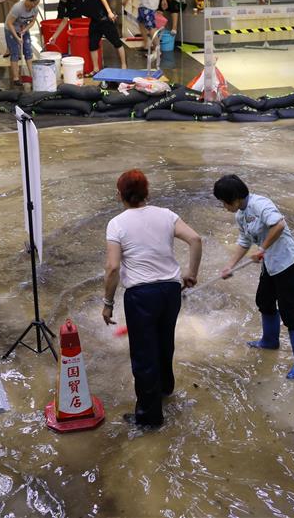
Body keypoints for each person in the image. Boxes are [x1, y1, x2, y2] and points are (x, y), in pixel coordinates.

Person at [102, 169, 202, 429]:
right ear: (147, 192)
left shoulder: (117, 224)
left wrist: (108, 303)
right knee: (164, 342)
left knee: (144, 355)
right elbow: (195, 239)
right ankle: (165, 389)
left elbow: (112, 267)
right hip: (170, 291)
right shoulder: (166, 215)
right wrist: (191, 273)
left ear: (119, 195)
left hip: (141, 296)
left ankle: (149, 418)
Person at [213, 174, 294, 380]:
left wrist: (262, 248)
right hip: (271, 264)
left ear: (235, 198)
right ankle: (270, 341)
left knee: (290, 312)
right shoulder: (240, 215)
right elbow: (244, 241)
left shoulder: (260, 204)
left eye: (224, 202)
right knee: (264, 301)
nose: (224, 206)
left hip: (288, 262)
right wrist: (229, 266)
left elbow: (279, 225)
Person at [47, 0, 126, 72]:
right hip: (94, 21)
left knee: (117, 42)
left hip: (104, 18)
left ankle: (124, 65)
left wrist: (109, 12)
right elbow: (64, 21)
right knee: (92, 45)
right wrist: (54, 36)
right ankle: (96, 69)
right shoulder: (69, 3)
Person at [5, 0, 41, 86]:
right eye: (34, 3)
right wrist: (17, 38)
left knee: (28, 51)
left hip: (23, 29)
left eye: (37, 3)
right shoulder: (18, 8)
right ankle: (16, 78)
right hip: (11, 29)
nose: (35, 5)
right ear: (28, 0)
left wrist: (25, 30)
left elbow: (32, 21)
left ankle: (33, 76)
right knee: (15, 53)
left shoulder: (35, 9)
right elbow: (9, 23)